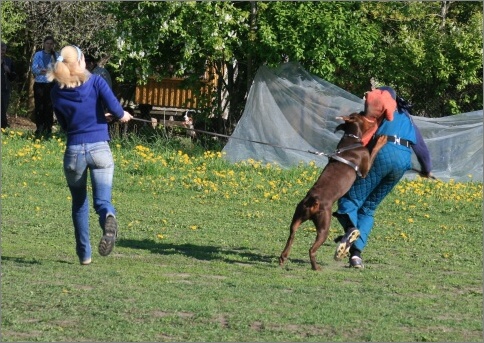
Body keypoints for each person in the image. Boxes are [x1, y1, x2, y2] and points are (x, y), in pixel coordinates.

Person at [47, 45, 132, 265]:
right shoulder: (96, 81)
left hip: (75, 151)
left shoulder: (56, 91)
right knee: (102, 201)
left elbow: (66, 124)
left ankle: (85, 254)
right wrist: (122, 116)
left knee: (79, 203)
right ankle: (108, 218)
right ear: (82, 62)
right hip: (99, 150)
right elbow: (117, 109)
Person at [333, 86, 432, 269]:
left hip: (382, 152)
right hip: (402, 160)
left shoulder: (379, 113)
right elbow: (421, 149)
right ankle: (356, 256)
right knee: (369, 208)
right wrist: (426, 169)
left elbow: (363, 134)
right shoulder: (408, 119)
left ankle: (350, 230)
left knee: (351, 199)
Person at [31, 35, 58, 136]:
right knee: (39, 106)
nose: (49, 45)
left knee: (49, 107)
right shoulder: (38, 54)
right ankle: (39, 127)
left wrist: (46, 70)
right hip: (39, 84)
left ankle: (48, 128)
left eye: (51, 44)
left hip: (51, 84)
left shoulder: (56, 55)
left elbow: (59, 68)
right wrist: (42, 71)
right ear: (44, 44)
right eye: (47, 43)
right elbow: (34, 68)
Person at [1, 41, 17, 129]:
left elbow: (14, 77)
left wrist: (9, 71)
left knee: (3, 110)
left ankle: (2, 129)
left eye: (3, 50)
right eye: (0, 50)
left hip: (5, 90)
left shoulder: (9, 61)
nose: (2, 52)